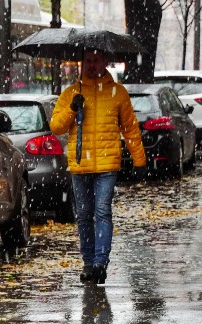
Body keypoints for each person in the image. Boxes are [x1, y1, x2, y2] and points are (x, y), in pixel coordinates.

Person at [50, 49, 146, 285]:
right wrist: (73, 109)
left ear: (104, 63)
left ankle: (100, 263)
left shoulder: (117, 93)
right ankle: (89, 262)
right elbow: (56, 127)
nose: (92, 65)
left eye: (96, 61)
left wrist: (139, 160)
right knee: (83, 215)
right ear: (82, 64)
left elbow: (130, 128)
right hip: (80, 164)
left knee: (102, 211)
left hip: (107, 164)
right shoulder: (71, 93)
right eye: (88, 61)